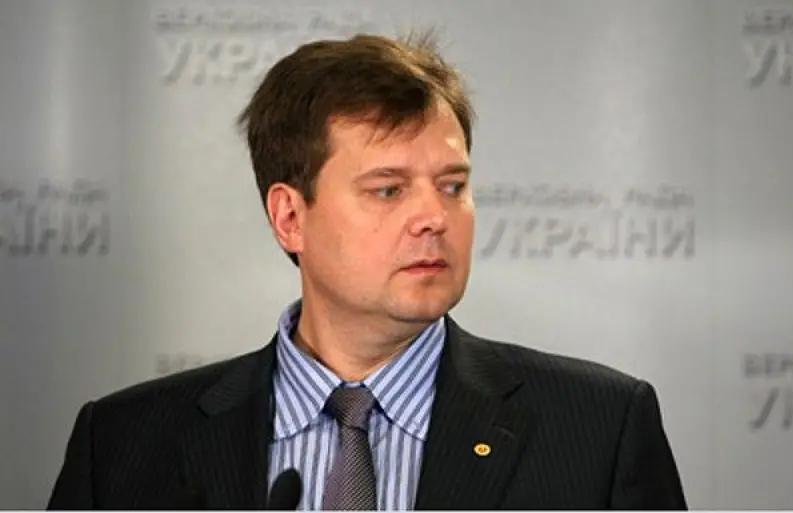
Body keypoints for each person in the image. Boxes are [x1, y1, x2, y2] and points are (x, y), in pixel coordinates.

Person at [48, 32, 687, 510]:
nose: (433, 217)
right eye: (388, 189)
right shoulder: (125, 446)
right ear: (290, 217)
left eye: (452, 185)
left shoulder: (598, 429)